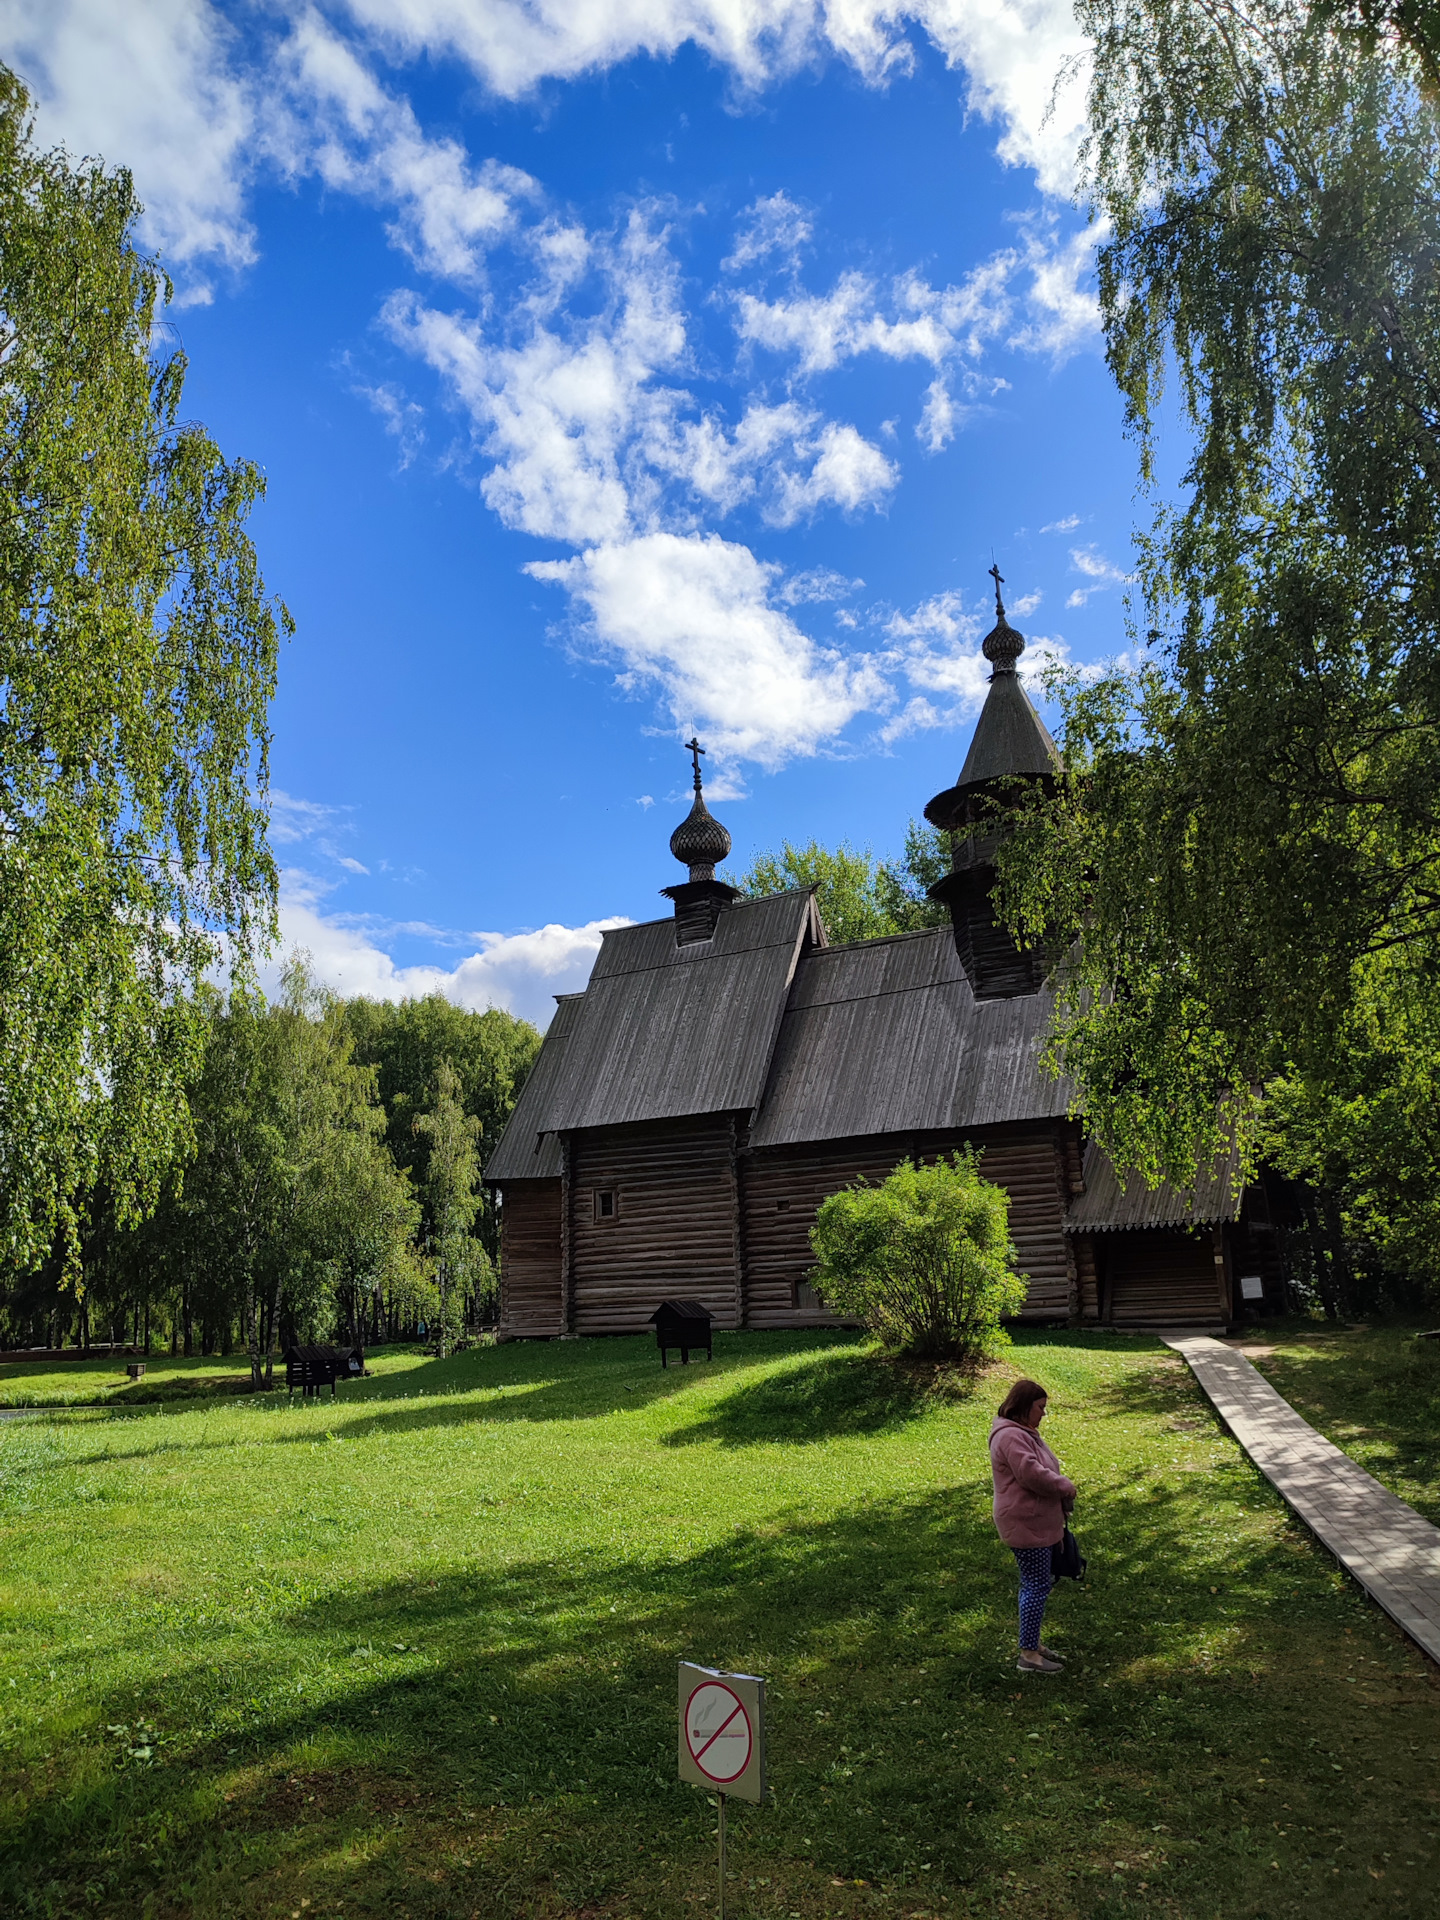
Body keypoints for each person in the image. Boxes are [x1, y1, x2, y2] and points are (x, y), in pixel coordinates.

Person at [989, 1377, 1077, 1675]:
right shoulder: (1010, 1436)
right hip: (1025, 1524)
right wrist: (1064, 1485)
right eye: (1040, 1407)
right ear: (1025, 1407)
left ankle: (1033, 1644)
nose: (1043, 1414)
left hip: (1035, 1521)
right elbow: (1032, 1474)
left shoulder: (1022, 1431)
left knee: (1036, 1585)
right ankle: (1028, 1655)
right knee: (1035, 1586)